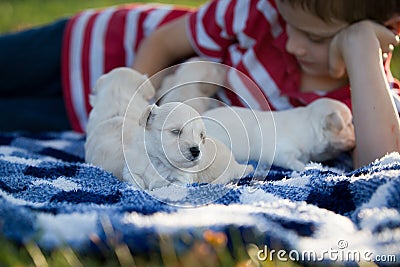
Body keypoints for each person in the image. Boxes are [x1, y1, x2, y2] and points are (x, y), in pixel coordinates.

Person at [1, 0, 400, 169]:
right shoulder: (259, 12)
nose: (292, 42)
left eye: (314, 38)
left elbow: (380, 166)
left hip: (79, 117)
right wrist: (128, 113)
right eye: (290, 26)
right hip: (92, 46)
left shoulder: (367, 103)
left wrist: (361, 48)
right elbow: (163, 41)